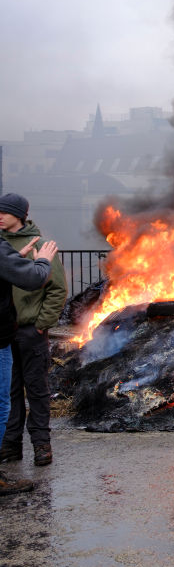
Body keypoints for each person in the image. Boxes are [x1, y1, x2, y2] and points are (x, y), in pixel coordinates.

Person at [0, 194, 67, 471]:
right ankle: (10, 446)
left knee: (37, 390)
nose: (0, 216)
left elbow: (57, 290)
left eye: (4, 212)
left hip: (30, 331)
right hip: (4, 333)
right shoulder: (3, 247)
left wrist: (41, 324)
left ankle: (41, 445)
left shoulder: (41, 246)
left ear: (20, 215)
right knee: (9, 392)